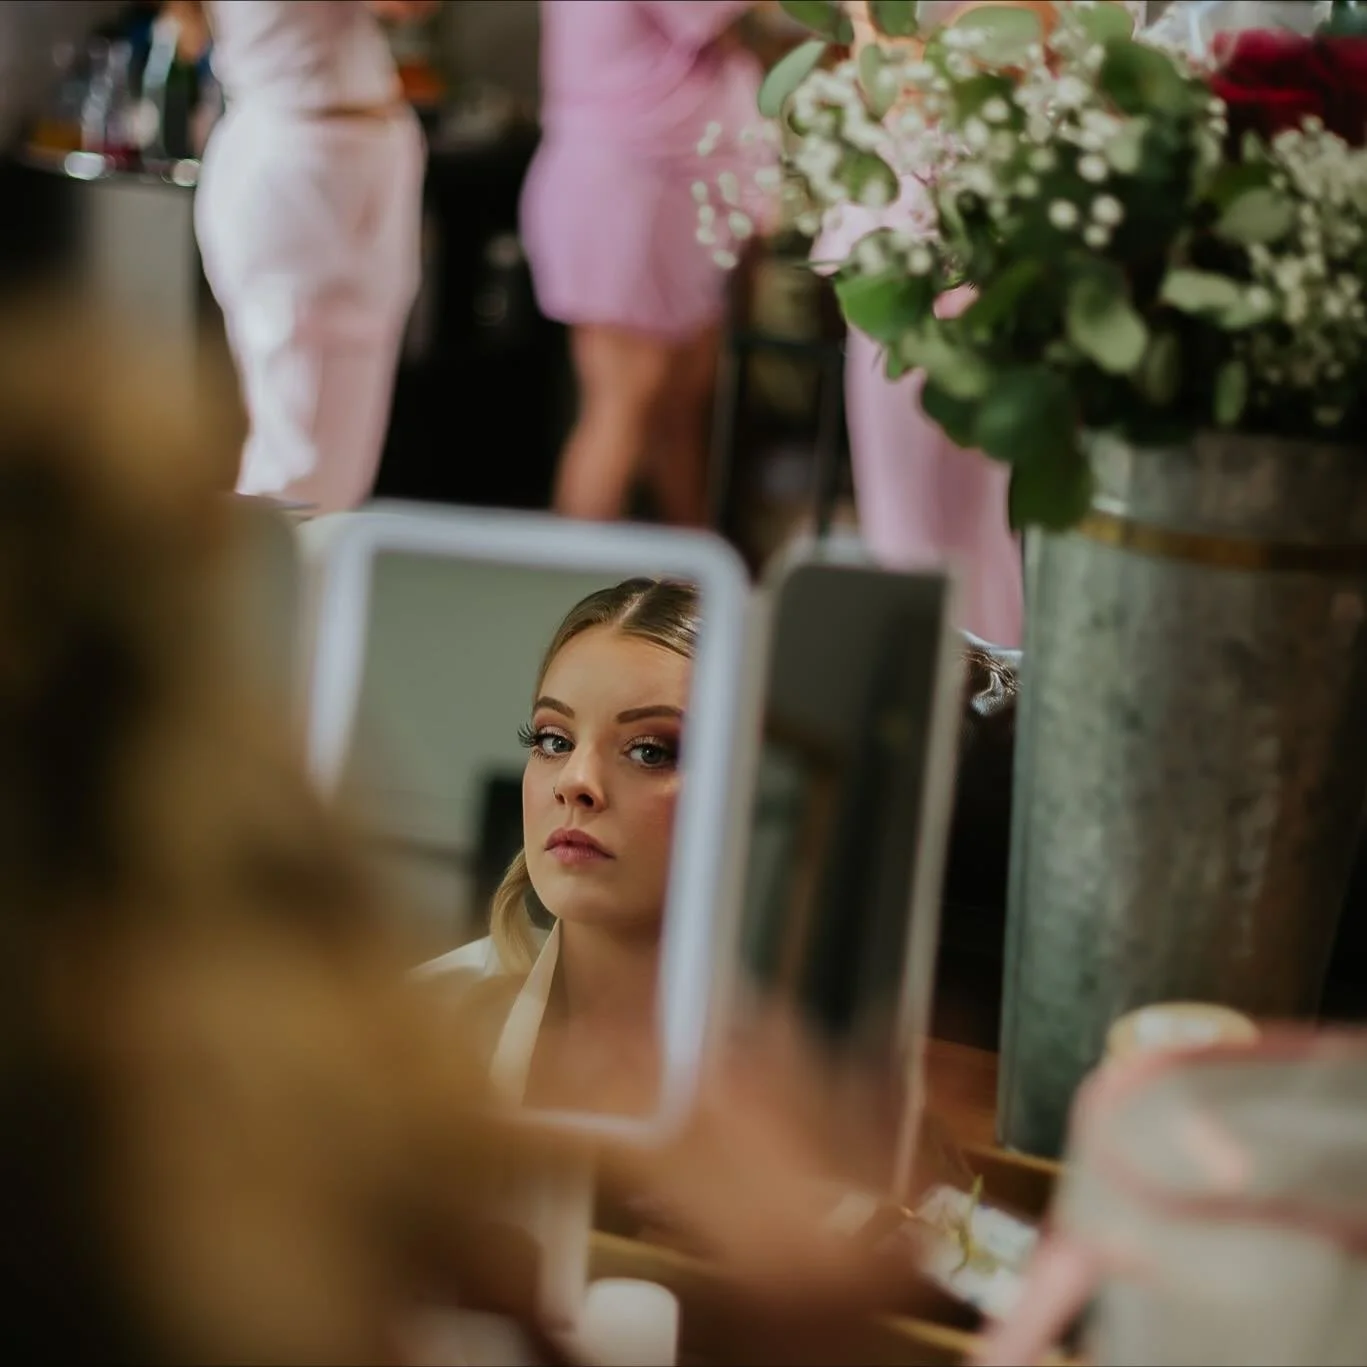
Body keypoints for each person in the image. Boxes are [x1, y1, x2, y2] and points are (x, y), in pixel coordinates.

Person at [420, 577, 698, 1113]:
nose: (574, 781)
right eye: (554, 740)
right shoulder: (422, 1027)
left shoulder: (818, 1083)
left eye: (650, 751)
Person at [179, 0, 432, 513]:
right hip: (302, 169)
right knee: (298, 451)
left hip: (333, 156)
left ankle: (286, 584)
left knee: (333, 451)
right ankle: (246, 589)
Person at [521, 1, 765, 528]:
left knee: (674, 410)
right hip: (630, 184)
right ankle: (570, 600)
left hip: (658, 183)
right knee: (620, 405)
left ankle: (692, 588)